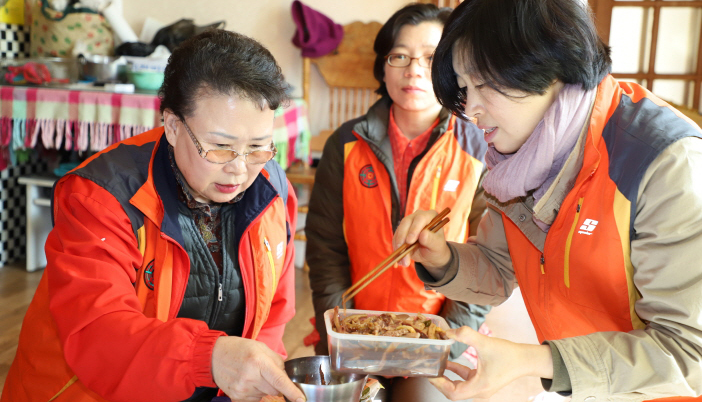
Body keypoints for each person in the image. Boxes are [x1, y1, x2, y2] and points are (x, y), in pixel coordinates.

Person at [392, 0, 702, 401]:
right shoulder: (518, 159)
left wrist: (531, 362)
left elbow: (688, 352)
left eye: (483, 83)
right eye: (464, 89)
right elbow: (499, 271)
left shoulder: (662, 161)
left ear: (549, 61)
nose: (471, 110)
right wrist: (442, 259)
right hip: (582, 384)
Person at [1, 30, 306, 402]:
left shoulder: (272, 190)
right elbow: (98, 333)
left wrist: (244, 381)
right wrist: (207, 358)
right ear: (174, 126)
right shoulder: (102, 197)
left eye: (258, 147)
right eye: (221, 148)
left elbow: (272, 315)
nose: (240, 170)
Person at [306, 3, 491, 401]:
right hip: (352, 329)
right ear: (383, 66)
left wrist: (444, 344)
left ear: (452, 69)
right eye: (399, 56)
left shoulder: (481, 149)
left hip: (435, 334)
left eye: (430, 57)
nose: (413, 70)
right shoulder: (344, 144)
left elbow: (485, 264)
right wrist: (342, 333)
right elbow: (325, 250)